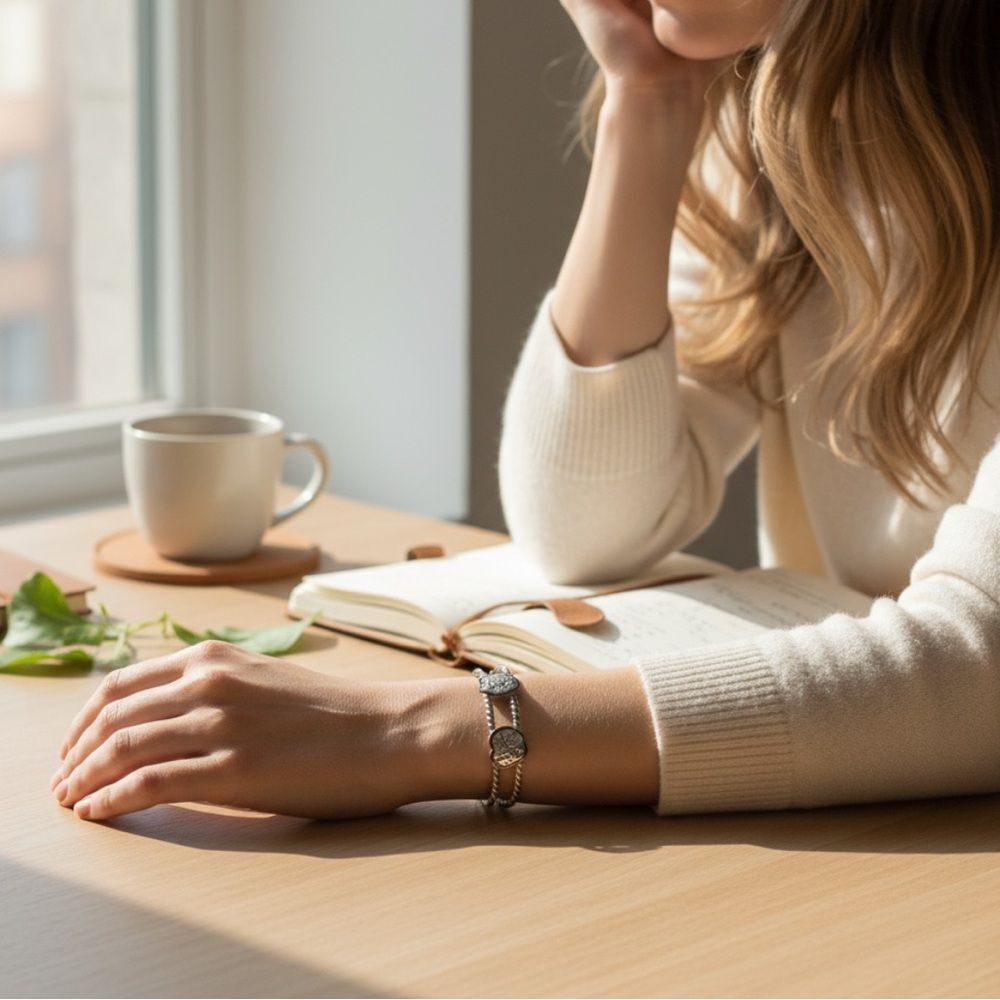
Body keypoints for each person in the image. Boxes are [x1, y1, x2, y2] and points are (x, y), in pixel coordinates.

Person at [51, 0, 1000, 823]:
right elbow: (587, 530)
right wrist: (649, 103)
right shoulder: (789, 113)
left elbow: (979, 673)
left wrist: (408, 735)